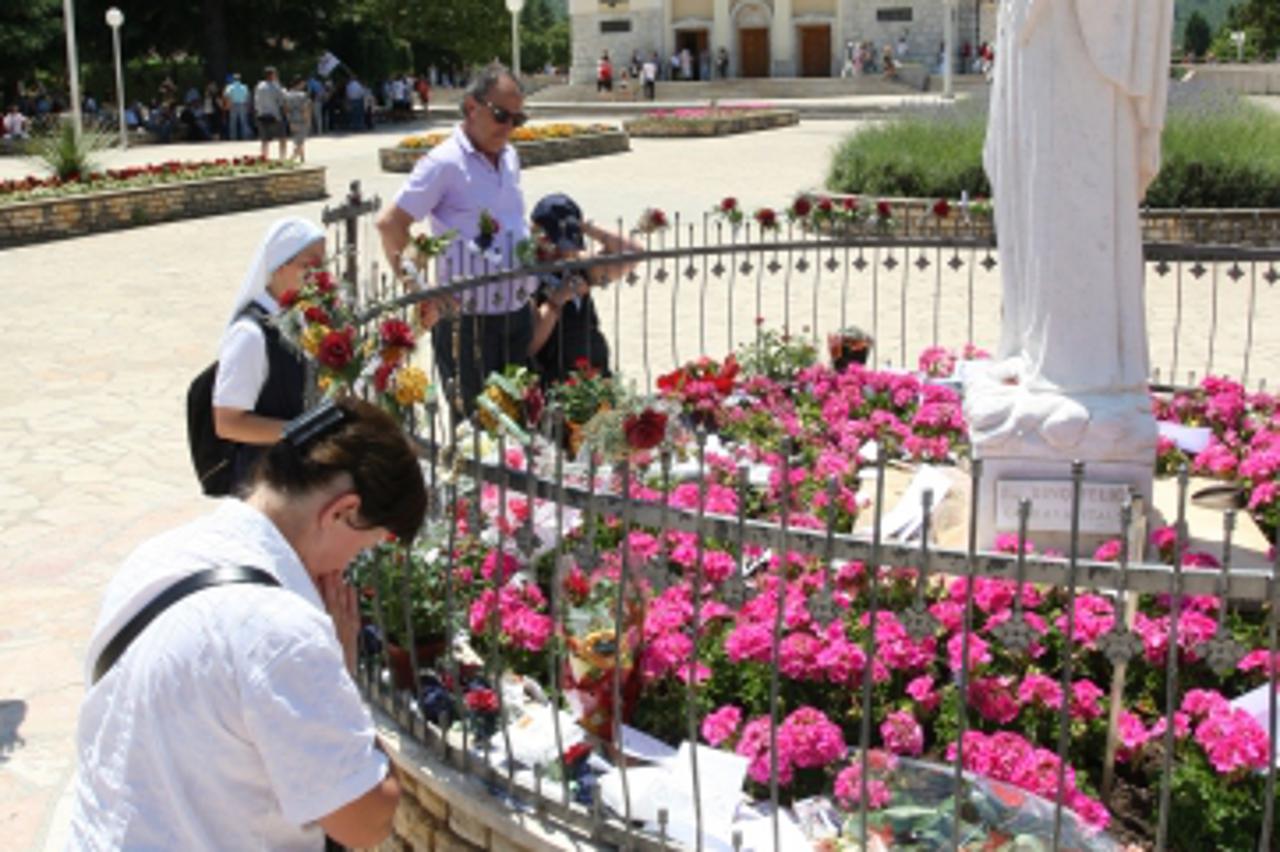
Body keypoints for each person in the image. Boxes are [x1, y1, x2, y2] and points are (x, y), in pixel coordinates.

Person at [69, 396, 425, 850]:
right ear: (342, 512)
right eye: (366, 544)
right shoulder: (283, 635)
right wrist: (339, 675)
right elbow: (366, 821)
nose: (353, 563)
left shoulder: (159, 554)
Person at [375, 63, 532, 416]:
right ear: (472, 107)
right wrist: (421, 288)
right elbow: (390, 224)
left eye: (517, 119)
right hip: (470, 324)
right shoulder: (443, 163)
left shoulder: (509, 157)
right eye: (500, 115)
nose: (508, 127)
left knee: (522, 428)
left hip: (517, 314)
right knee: (477, 437)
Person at [214, 217, 326, 491]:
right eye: (308, 265)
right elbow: (228, 423)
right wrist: (302, 432)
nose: (319, 275)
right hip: (264, 482)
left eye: (322, 265)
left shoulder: (302, 317)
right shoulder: (250, 335)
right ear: (279, 266)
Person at [527, 193, 642, 384]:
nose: (564, 251)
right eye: (556, 243)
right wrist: (556, 301)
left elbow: (633, 253)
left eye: (568, 243)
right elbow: (530, 345)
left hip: (596, 374)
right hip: (557, 379)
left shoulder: (578, 265)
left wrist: (584, 226)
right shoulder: (527, 275)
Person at [255, 66, 288, 158]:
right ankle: (282, 158)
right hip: (274, 115)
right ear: (272, 75)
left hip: (261, 115)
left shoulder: (259, 85)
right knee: (282, 138)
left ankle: (264, 157)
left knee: (264, 140)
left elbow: (256, 101)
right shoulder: (275, 86)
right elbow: (281, 100)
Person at [283, 78, 312, 162]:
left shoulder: (287, 95)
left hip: (292, 119)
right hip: (301, 119)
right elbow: (305, 108)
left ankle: (302, 158)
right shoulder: (303, 95)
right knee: (300, 140)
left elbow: (286, 109)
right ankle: (292, 158)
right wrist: (308, 120)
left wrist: (289, 119)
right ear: (299, 84)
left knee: (297, 139)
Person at [224, 73, 251, 140]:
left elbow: (227, 96)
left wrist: (227, 105)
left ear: (233, 79)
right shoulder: (244, 87)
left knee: (233, 122)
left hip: (233, 104)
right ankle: (245, 136)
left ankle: (233, 137)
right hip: (242, 105)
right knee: (243, 121)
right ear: (240, 79)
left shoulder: (230, 87)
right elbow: (247, 97)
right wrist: (248, 106)